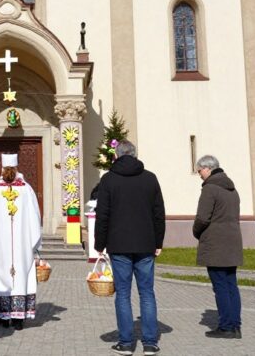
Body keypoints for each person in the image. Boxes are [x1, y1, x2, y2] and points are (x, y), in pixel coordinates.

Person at [94, 140, 165, 356]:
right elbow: (158, 213)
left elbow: (102, 215)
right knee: (147, 293)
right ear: (135, 154)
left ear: (116, 154)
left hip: (119, 244)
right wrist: (158, 242)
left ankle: (125, 343)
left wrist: (99, 243)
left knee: (123, 293)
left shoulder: (108, 179)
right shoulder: (150, 178)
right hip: (145, 245)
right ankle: (150, 343)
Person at [0, 155, 41, 330]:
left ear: (2, 169)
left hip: (0, 244)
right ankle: (18, 318)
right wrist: (35, 243)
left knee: (1, 276)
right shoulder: (27, 189)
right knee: (21, 275)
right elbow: (35, 216)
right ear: (17, 168)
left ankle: (3, 317)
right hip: (23, 244)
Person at [192, 155, 243, 339]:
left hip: (216, 244)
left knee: (220, 286)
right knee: (231, 285)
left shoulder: (210, 189)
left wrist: (196, 231)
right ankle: (235, 324)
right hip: (232, 242)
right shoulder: (232, 189)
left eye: (200, 171)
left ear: (207, 168)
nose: (199, 175)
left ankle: (226, 326)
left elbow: (202, 218)